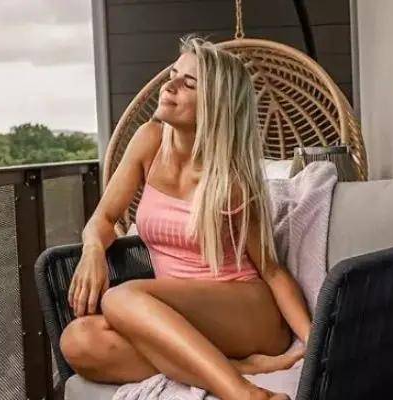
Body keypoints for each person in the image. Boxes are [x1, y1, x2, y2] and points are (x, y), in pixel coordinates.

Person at [59, 35, 311, 400]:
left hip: (246, 312)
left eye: (188, 83)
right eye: (173, 75)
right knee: (79, 340)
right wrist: (93, 249)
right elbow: (105, 217)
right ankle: (235, 367)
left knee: (118, 299)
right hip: (180, 317)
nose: (170, 85)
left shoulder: (232, 178)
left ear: (216, 104)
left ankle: (245, 393)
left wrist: (314, 339)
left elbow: (271, 269)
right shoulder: (149, 140)